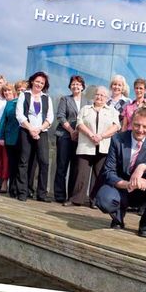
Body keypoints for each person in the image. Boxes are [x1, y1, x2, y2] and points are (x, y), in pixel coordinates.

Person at [95, 106, 146, 238]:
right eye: (137, 125)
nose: (140, 130)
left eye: (145, 127)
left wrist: (143, 167)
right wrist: (129, 184)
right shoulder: (118, 139)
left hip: (145, 189)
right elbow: (108, 172)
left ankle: (145, 221)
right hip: (122, 187)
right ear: (131, 122)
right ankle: (118, 217)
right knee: (104, 199)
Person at [70, 86, 121, 207]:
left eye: (103, 95)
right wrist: (91, 135)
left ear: (107, 98)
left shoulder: (112, 111)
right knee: (81, 173)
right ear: (94, 96)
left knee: (99, 175)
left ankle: (94, 201)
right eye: (98, 94)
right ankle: (76, 199)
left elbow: (116, 127)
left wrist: (101, 136)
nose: (99, 97)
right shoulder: (85, 108)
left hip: (103, 146)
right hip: (86, 145)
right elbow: (79, 123)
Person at [15, 71, 54, 202]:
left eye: (42, 83)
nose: (39, 84)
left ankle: (41, 194)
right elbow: (20, 115)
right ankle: (22, 192)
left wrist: (39, 129)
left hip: (41, 131)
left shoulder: (47, 98)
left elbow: (50, 118)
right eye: (37, 81)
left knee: (44, 162)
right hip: (26, 130)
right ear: (32, 81)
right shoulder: (23, 95)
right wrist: (31, 129)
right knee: (24, 161)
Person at [53, 75, 86, 204]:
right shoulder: (65, 99)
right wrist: (72, 131)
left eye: (78, 84)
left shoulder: (88, 102)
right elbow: (60, 117)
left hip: (80, 138)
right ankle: (59, 195)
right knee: (62, 166)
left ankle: (71, 196)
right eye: (73, 84)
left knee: (75, 168)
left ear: (82, 87)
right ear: (70, 86)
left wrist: (79, 132)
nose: (75, 86)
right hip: (65, 136)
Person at [0, 80, 27, 198]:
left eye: (23, 90)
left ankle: (21, 189)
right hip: (10, 139)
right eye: (19, 90)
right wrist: (0, 136)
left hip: (24, 139)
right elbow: (3, 121)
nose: (21, 92)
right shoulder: (10, 104)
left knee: (22, 165)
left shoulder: (28, 104)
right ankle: (12, 189)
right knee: (13, 165)